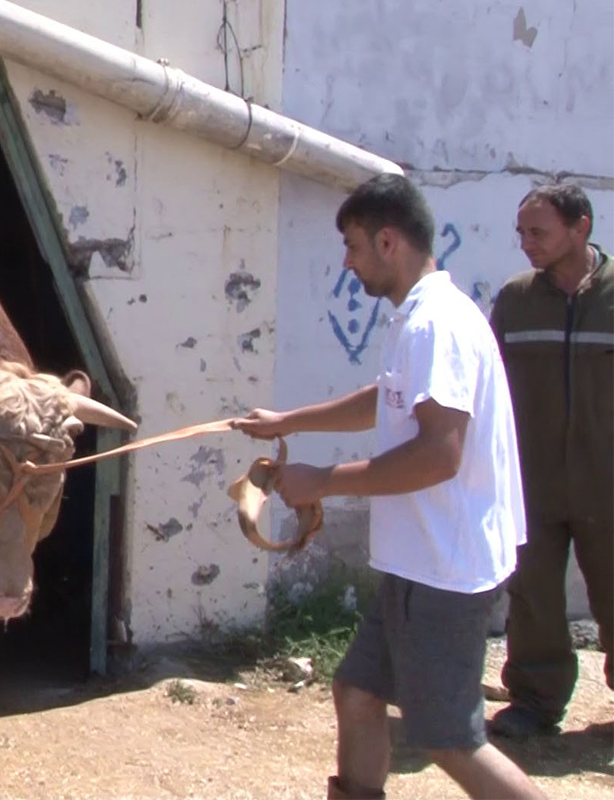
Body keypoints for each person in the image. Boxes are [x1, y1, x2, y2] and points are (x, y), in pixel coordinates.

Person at [233, 174, 544, 800]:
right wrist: (290, 421)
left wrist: (321, 481)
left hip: (443, 570)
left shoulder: (436, 326)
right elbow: (388, 400)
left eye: (351, 247)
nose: (347, 263)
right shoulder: (419, 319)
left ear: (387, 240)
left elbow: (438, 456)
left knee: (451, 740)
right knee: (358, 691)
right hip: (417, 564)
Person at [487, 183, 613, 739]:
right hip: (531, 481)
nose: (526, 244)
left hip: (607, 482)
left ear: (580, 227)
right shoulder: (515, 300)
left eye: (538, 232)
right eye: (521, 232)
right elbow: (490, 388)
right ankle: (535, 702)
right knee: (533, 595)